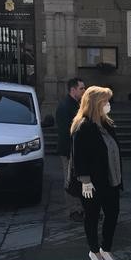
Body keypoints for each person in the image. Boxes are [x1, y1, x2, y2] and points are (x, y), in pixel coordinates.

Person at [70, 86, 123, 260]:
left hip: (111, 180)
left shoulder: (107, 124)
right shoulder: (83, 126)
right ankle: (94, 251)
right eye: (106, 101)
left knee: (112, 214)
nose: (108, 104)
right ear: (96, 103)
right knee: (92, 217)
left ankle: (106, 249)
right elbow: (78, 156)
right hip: (92, 182)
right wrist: (85, 181)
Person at [56, 78, 86, 222]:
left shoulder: (78, 105)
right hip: (69, 151)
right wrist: (71, 153)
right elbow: (64, 133)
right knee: (69, 181)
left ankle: (81, 208)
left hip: (78, 150)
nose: (84, 91)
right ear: (73, 90)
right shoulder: (64, 107)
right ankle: (73, 210)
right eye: (81, 88)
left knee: (79, 180)